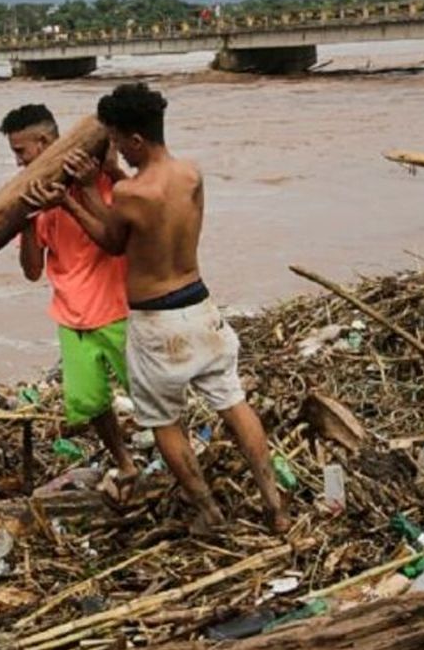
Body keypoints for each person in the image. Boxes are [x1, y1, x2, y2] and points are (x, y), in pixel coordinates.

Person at [22, 84, 290, 534]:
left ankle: (207, 511)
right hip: (201, 306)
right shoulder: (190, 174)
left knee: (165, 420)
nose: (116, 152)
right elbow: (155, 216)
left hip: (157, 321)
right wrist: (107, 179)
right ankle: (274, 504)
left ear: (136, 141)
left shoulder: (130, 194)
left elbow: (111, 239)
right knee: (234, 403)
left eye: (117, 142)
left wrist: (78, 193)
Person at [0, 104, 139, 493]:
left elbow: (120, 236)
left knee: (149, 396)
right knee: (91, 403)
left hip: (118, 309)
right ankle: (126, 463)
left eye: (20, 151)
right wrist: (25, 221)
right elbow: (31, 271)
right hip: (71, 315)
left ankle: (177, 461)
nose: (17, 162)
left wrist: (98, 179)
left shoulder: (97, 177)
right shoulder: (36, 196)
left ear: (44, 143)